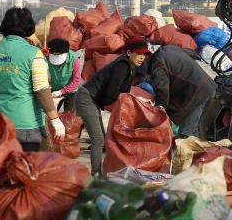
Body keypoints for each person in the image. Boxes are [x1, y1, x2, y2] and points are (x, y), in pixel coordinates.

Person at [0, 7, 65, 152]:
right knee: (24, 171)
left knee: (3, 171)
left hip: (0, 126)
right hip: (26, 127)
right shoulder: (33, 54)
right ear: (29, 27)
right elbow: (41, 90)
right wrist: (55, 119)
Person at [75, 35, 150, 175]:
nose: (142, 57)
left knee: (102, 139)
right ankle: (96, 175)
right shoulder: (122, 65)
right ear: (129, 53)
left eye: (144, 54)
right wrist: (118, 108)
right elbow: (112, 92)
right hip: (87, 98)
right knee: (98, 139)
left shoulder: (132, 68)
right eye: (139, 53)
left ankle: (102, 172)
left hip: (94, 100)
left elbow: (124, 94)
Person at [145, 44, 216, 138]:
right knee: (197, 133)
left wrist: (160, 106)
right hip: (209, 87)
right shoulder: (168, 48)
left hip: (196, 96)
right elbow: (193, 53)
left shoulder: (157, 64)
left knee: (186, 137)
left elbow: (162, 88)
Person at [46, 38, 82, 112]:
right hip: (55, 89)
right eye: (53, 54)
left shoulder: (75, 60)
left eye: (58, 55)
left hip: (71, 91)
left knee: (69, 115)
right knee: (51, 112)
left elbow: (76, 81)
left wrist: (61, 92)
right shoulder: (48, 57)